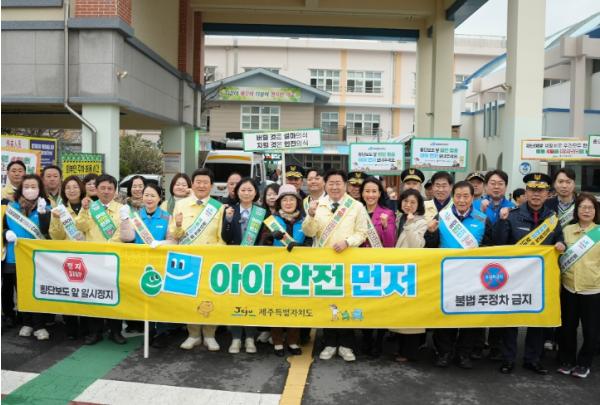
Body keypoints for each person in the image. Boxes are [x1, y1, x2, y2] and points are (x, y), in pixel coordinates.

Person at [493, 172, 566, 375]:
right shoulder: (512, 215)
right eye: (532, 190)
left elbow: (560, 239)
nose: (536, 194)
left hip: (539, 279)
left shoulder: (552, 219)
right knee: (510, 319)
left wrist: (562, 244)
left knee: (537, 319)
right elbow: (499, 244)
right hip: (513, 278)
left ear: (547, 194)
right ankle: (508, 358)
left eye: (540, 191)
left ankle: (533, 359)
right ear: (526, 192)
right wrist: (501, 222)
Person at [425, 181, 493, 370]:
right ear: (453, 197)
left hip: (473, 277)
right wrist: (430, 233)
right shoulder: (442, 216)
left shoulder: (482, 219)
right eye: (458, 196)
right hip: (446, 275)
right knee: (445, 313)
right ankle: (444, 352)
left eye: (466, 196)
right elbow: (430, 246)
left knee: (469, 315)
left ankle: (464, 353)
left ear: (472, 197)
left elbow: (490, 247)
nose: (462, 200)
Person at [303, 169, 368, 362]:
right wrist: (310, 215)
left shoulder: (356, 206)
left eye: (338, 183)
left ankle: (346, 345)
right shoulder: (317, 205)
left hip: (348, 261)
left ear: (345, 184)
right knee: (328, 302)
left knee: (347, 302)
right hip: (324, 264)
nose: (334, 186)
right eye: (331, 183)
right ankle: (329, 343)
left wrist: (348, 242)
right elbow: (309, 232)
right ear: (325, 184)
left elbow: (362, 233)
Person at [169, 168, 225, 352]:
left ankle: (210, 335)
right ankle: (193, 334)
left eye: (205, 182)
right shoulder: (181, 205)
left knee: (210, 298)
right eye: (198, 182)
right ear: (192, 184)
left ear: (211, 186)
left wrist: (215, 257)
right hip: (188, 260)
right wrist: (178, 225)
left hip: (211, 261)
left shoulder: (219, 207)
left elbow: (221, 238)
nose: (201, 185)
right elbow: (175, 235)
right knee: (189, 298)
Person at [121, 183, 176, 348]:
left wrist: (160, 243)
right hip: (140, 264)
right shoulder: (135, 216)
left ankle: (162, 332)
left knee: (161, 299)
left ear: (159, 198)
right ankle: (149, 331)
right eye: (146, 195)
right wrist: (124, 220)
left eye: (153, 195)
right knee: (145, 298)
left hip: (161, 264)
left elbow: (173, 240)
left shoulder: (167, 217)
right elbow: (127, 238)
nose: (149, 198)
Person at [75, 173, 127, 345]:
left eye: (110, 188)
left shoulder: (122, 209)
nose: (106, 191)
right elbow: (80, 226)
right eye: (102, 188)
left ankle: (115, 331)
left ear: (115, 191)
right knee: (94, 296)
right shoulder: (90, 207)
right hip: (93, 260)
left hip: (114, 259)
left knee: (115, 295)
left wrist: (108, 249)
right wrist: (84, 210)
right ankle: (95, 332)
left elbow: (123, 232)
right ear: (96, 190)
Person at [471, 169, 516, 360]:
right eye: (492, 183)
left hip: (503, 263)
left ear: (506, 186)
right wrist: (481, 214)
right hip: (478, 262)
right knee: (477, 303)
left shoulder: (513, 208)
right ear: (486, 185)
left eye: (500, 183)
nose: (496, 187)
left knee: (499, 303)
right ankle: (477, 343)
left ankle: (496, 345)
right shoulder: (474, 205)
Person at [261, 184, 308, 357]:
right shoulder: (271, 220)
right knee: (277, 306)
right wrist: (270, 237)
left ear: (297, 202)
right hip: (276, 270)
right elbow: (261, 243)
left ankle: (293, 341)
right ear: (279, 202)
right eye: (285, 200)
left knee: (296, 307)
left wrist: (302, 247)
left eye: (292, 200)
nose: (288, 203)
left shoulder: (304, 221)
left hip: (299, 271)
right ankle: (278, 342)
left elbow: (311, 242)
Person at [556, 193, 600, 379]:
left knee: (591, 330)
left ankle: (584, 363)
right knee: (567, 328)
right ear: (577, 210)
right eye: (583, 207)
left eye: (591, 207)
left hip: (593, 289)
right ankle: (567, 360)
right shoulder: (567, 230)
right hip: (569, 288)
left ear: (596, 211)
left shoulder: (599, 232)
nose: (587, 211)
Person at [3, 174, 51, 339]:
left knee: (37, 291)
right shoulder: (10, 208)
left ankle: (39, 325)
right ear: (21, 189)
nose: (30, 190)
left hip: (38, 258)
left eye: (33, 186)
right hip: (14, 256)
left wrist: (43, 214)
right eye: (26, 187)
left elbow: (48, 232)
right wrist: (5, 233)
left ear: (39, 189)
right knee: (21, 290)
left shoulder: (45, 207)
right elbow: (2, 227)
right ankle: (27, 323)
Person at [222, 178, 266, 354]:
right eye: (243, 190)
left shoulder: (262, 213)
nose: (246, 193)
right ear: (237, 192)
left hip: (255, 262)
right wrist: (228, 220)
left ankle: (250, 337)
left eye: (250, 190)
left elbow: (266, 238)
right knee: (235, 300)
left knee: (251, 300)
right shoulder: (230, 210)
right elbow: (225, 237)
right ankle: (235, 338)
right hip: (234, 262)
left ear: (255, 193)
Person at [358, 176, 396, 357]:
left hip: (379, 265)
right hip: (359, 264)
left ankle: (379, 341)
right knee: (363, 303)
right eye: (367, 191)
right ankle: (366, 338)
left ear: (380, 193)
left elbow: (390, 243)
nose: (370, 195)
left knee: (379, 304)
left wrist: (386, 226)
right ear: (362, 193)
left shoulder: (387, 213)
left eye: (374, 191)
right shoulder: (356, 211)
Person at [392, 189, 428, 361]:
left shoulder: (421, 222)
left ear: (419, 205)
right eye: (405, 201)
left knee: (411, 316)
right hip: (397, 270)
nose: (408, 205)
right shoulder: (397, 218)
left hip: (412, 272)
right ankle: (401, 349)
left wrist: (410, 225)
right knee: (400, 314)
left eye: (413, 202)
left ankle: (409, 352)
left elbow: (417, 245)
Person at [49, 175, 87, 340]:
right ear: (64, 191)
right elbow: (55, 236)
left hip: (88, 256)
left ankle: (86, 327)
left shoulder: (90, 207)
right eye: (68, 188)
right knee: (69, 292)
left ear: (81, 189)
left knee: (87, 292)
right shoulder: (59, 210)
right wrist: (57, 220)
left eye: (75, 187)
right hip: (67, 257)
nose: (72, 190)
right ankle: (71, 327)